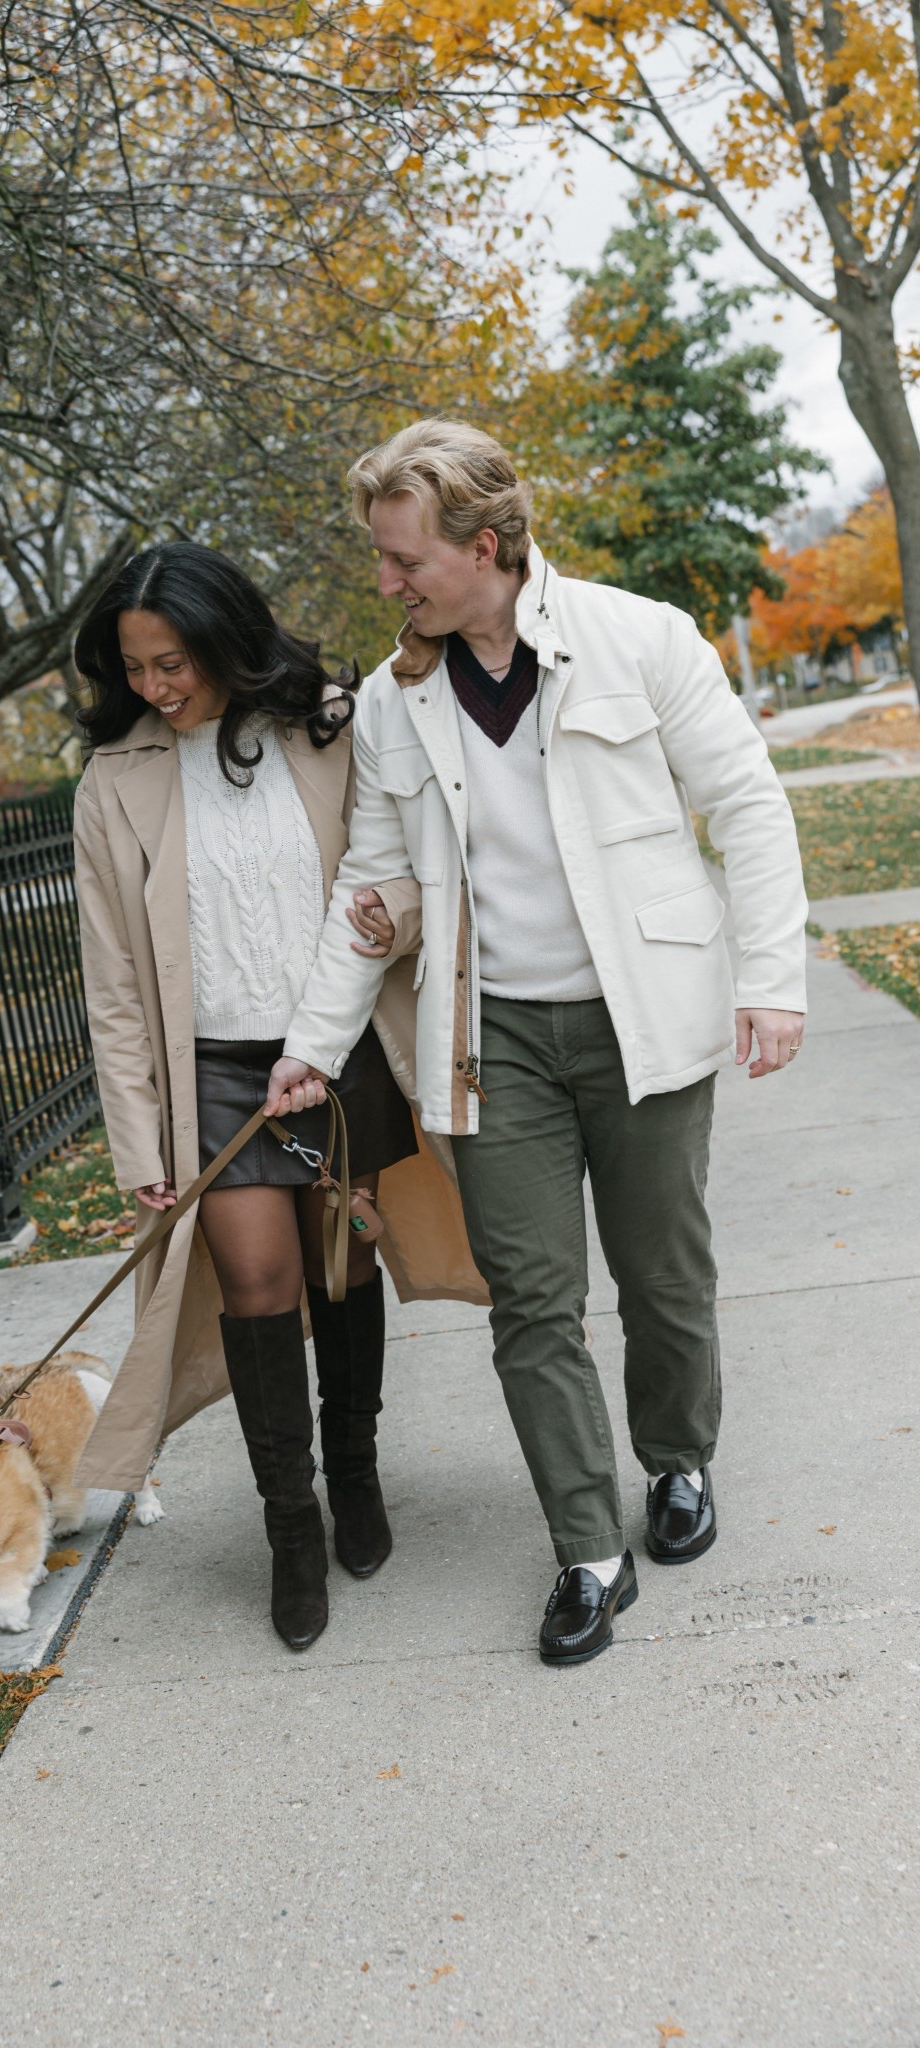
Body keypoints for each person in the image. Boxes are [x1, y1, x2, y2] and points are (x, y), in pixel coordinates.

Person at [269, 420, 808, 1666]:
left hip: (645, 1022)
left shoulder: (640, 637)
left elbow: (747, 806)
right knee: (533, 1301)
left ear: (486, 541)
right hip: (489, 1036)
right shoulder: (398, 699)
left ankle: (676, 1459)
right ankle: (587, 1546)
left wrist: (771, 980)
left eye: (405, 558)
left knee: (664, 1277)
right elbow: (373, 879)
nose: (388, 581)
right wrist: (312, 1043)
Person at [69, 541, 487, 1651]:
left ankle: (355, 1471)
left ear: (226, 638)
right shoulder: (115, 781)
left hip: (336, 1048)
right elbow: (111, 980)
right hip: (209, 1071)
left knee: (340, 1260)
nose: (157, 686)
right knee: (257, 1279)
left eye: (175, 661)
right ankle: (289, 1521)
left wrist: (386, 917)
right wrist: (135, 1139)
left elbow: (410, 867)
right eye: (137, 666)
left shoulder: (332, 729)